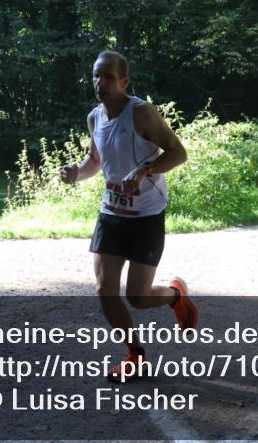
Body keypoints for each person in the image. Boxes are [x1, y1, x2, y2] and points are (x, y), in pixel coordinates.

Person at [61, 50, 196, 382]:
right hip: (112, 212)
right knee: (104, 289)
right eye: (96, 75)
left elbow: (178, 153)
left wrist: (146, 169)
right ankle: (135, 354)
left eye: (108, 76)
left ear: (124, 81)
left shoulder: (141, 114)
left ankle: (176, 295)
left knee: (137, 296)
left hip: (146, 214)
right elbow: (95, 160)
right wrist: (75, 173)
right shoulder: (95, 118)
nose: (100, 82)